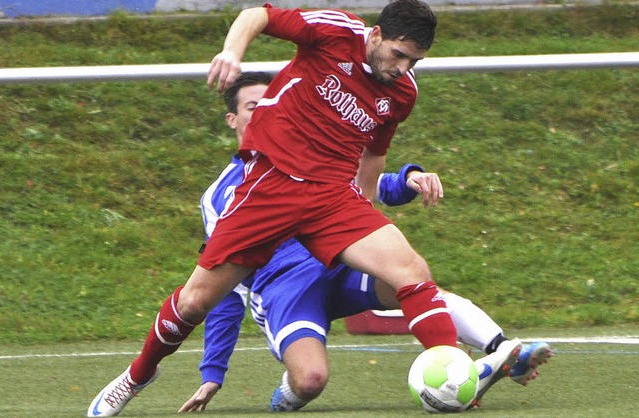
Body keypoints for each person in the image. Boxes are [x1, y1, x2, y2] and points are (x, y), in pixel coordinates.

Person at [88, 2, 531, 416]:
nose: (402, 68)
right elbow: (256, 13)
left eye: (413, 61)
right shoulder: (335, 32)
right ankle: (137, 376)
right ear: (375, 34)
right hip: (271, 187)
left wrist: (366, 207)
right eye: (398, 55)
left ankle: (453, 373)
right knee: (194, 302)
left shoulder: (401, 93)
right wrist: (231, 52)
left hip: (331, 198)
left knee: (411, 270)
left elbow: (374, 157)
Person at [176, 73, 552, 413]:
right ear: (232, 119)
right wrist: (214, 371)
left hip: (338, 266)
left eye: (270, 105)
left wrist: (408, 179)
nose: (263, 113)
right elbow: (221, 287)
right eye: (252, 107)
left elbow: (355, 192)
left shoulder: (309, 157)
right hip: (285, 291)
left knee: (412, 282)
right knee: (310, 382)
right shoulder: (221, 195)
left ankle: (502, 350)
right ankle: (288, 395)